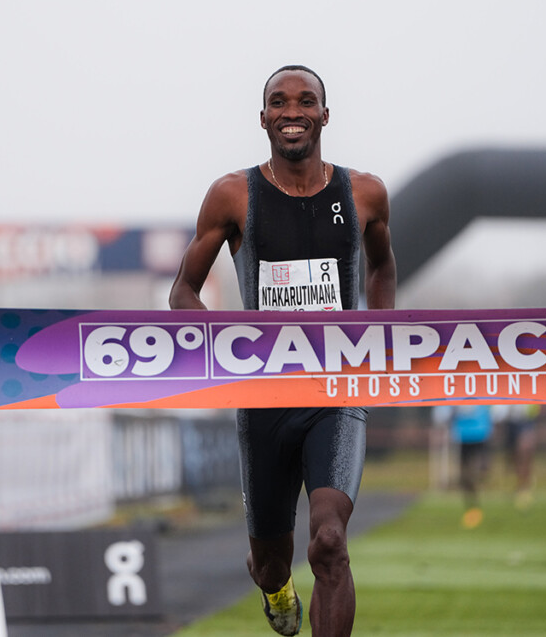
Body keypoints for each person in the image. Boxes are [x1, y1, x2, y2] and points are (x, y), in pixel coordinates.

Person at [169, 65, 396, 637]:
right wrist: (225, 354)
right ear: (263, 117)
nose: (292, 111)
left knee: (329, 541)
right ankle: (276, 589)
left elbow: (382, 267)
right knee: (271, 562)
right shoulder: (233, 194)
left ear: (325, 114)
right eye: (279, 101)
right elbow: (183, 292)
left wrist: (381, 336)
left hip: (337, 391)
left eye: (305, 101)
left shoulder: (364, 192)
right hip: (263, 398)